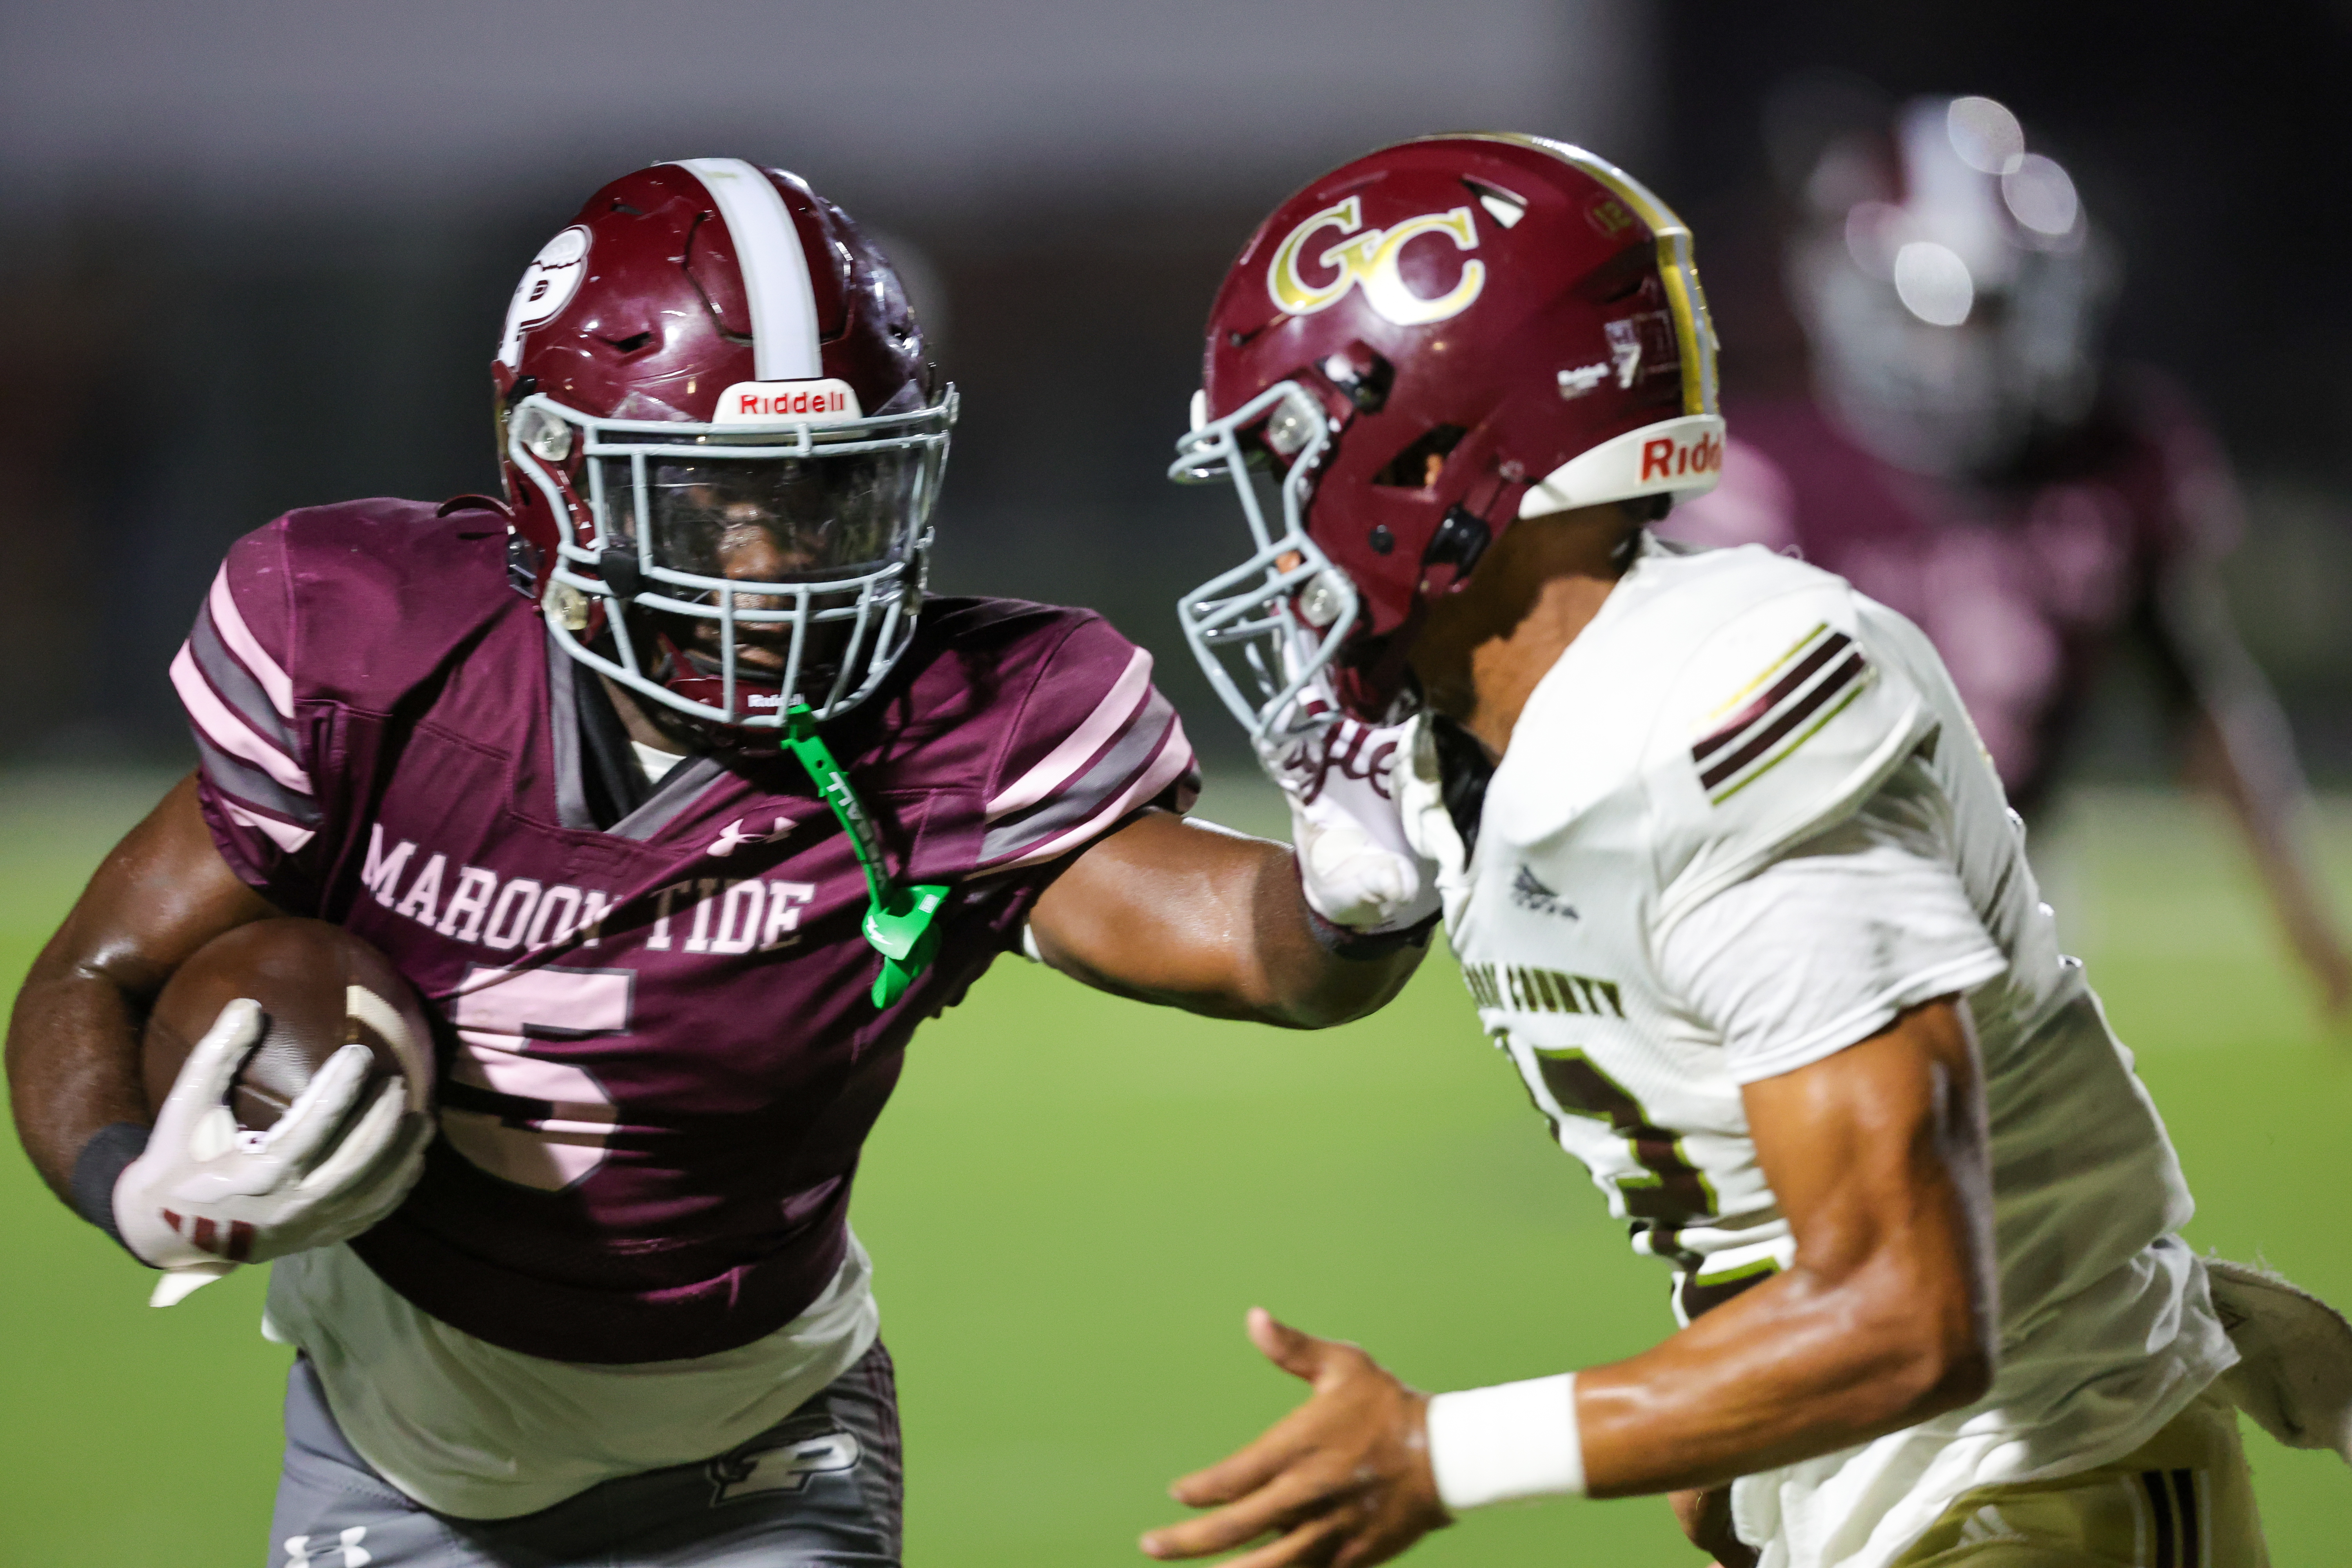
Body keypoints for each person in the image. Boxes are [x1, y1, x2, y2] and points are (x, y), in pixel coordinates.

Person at [3, 158, 1436, 1568]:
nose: (773, 564)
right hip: (395, 1456)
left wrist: (1351, 898)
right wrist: (134, 1187)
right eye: (710, 501)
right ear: (558, 479)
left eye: (828, 497)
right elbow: (96, 976)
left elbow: (1263, 957)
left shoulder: (956, 726)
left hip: (763, 1459)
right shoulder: (377, 657)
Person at [1137, 132, 2350, 1568]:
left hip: (2035, 1490)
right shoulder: (1501, 744)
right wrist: (1736, 1427)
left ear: (1437, 463)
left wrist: (1446, 1450)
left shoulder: (1723, 716)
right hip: (1931, 1496)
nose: (1282, 539)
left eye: (1297, 462)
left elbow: (1908, 1309)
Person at [1659, 89, 2352, 1018]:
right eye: (1938, 313)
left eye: (1997, 312)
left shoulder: (2109, 461)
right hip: (1792, 872)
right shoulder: (1766, 477)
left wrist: (2307, 923)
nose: (1963, 352)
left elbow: (2195, 697)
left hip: (2015, 872)